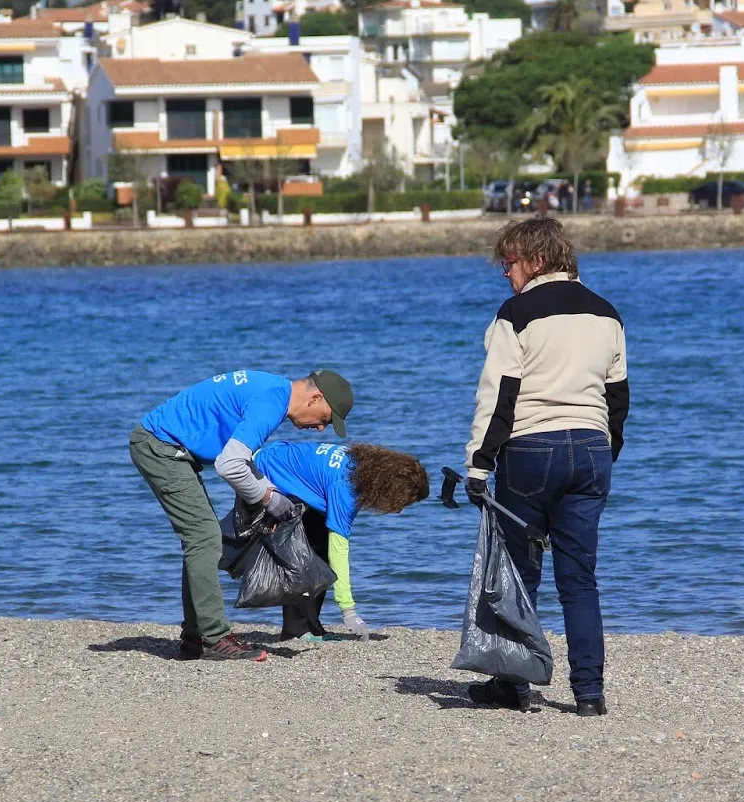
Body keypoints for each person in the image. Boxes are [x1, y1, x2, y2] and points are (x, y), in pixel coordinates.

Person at [464, 216, 628, 717]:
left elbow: (499, 396)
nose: (505, 274)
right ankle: (589, 694)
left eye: (508, 263)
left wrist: (477, 465)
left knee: (520, 572)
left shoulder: (516, 313)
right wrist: (603, 452)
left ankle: (513, 684)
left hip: (531, 449)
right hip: (592, 448)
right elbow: (617, 399)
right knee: (580, 579)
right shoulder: (608, 313)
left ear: (534, 259)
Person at [131, 370, 354, 662]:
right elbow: (229, 464)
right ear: (315, 397)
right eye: (326, 418)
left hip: (166, 446)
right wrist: (269, 499)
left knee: (202, 539)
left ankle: (196, 636)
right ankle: (214, 638)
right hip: (160, 447)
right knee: (205, 540)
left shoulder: (273, 390)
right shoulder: (272, 401)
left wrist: (269, 490)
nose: (322, 429)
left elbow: (242, 460)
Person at [252, 440, 429, 643]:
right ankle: (296, 631)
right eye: (400, 502)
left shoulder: (361, 465)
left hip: (283, 464)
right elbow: (339, 550)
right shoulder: (346, 487)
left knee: (318, 550)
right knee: (306, 555)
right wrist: (348, 610)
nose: (397, 510)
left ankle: (309, 627)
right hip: (262, 475)